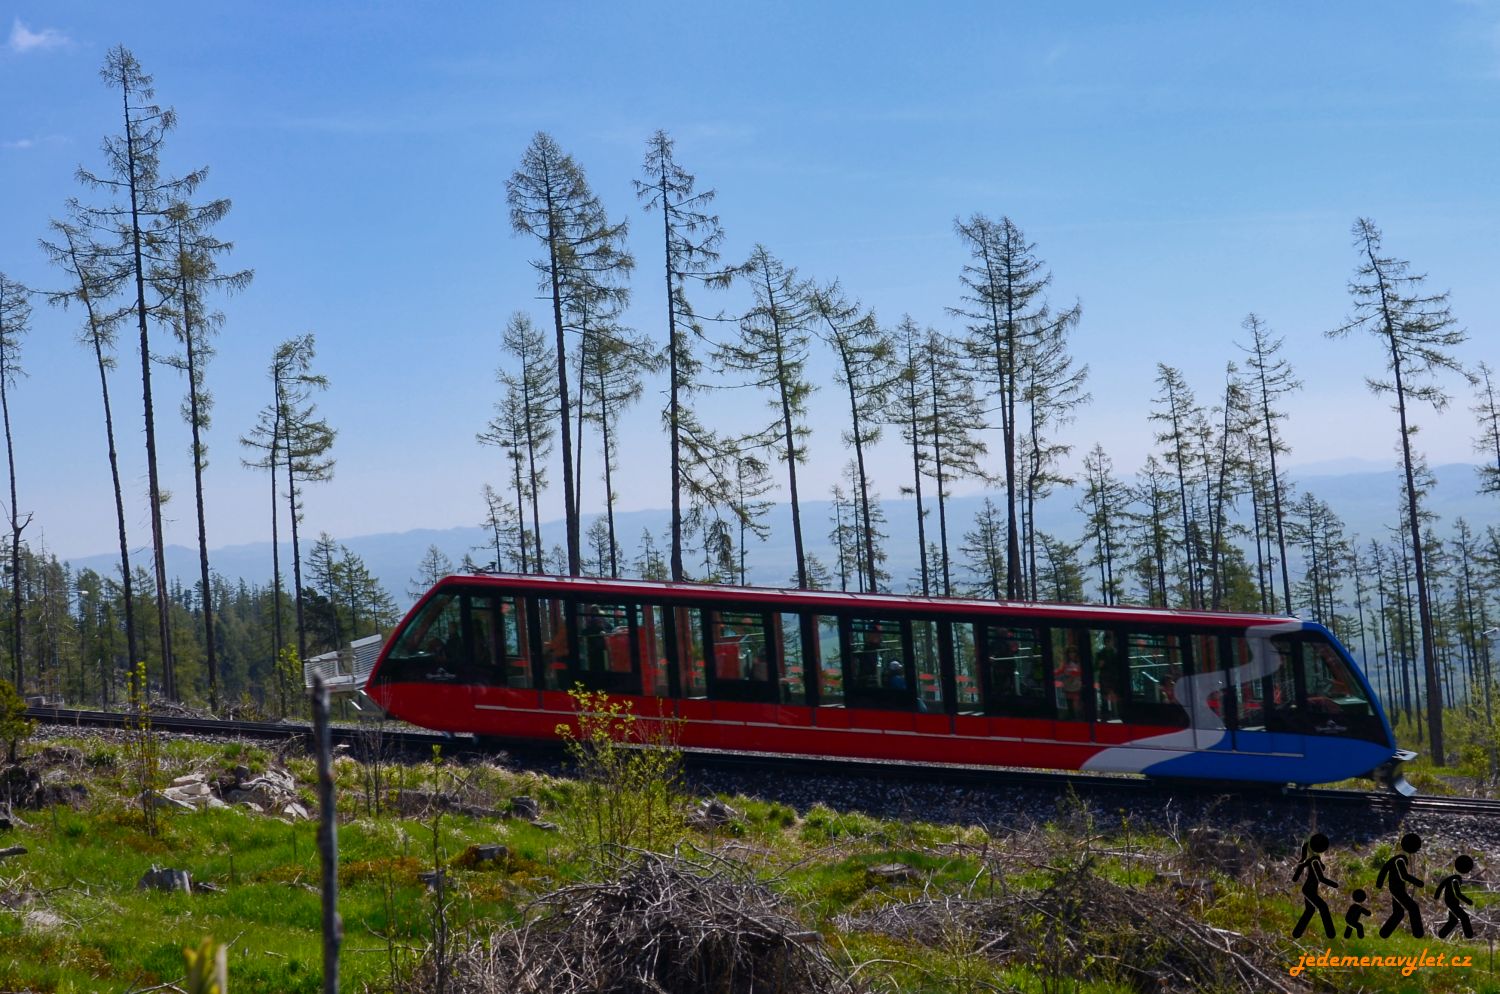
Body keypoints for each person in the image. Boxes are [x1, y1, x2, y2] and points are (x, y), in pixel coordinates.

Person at [1291, 833, 1339, 939]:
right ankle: (1331, 934)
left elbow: (1300, 866)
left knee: (1310, 910)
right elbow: (1321, 878)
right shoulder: (1315, 862)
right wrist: (1335, 885)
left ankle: (1296, 933)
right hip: (1309, 890)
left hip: (1308, 888)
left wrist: (1295, 878)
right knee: (1323, 907)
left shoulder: (1309, 860)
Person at [1377, 833, 1425, 939]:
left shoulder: (1396, 859)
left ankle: (1383, 934)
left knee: (1398, 913)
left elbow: (1384, 869)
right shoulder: (1400, 860)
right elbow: (1404, 876)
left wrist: (1379, 884)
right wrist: (1418, 882)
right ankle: (1418, 934)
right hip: (1397, 890)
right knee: (1413, 908)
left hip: (1396, 888)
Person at [1435, 855, 1475, 939]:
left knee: (1453, 920)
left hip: (1449, 902)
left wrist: (1436, 896)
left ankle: (1441, 935)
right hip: (1452, 903)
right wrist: (1468, 901)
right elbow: (1458, 894)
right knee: (1464, 917)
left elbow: (1441, 886)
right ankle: (1470, 936)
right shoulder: (1455, 880)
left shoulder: (1450, 879)